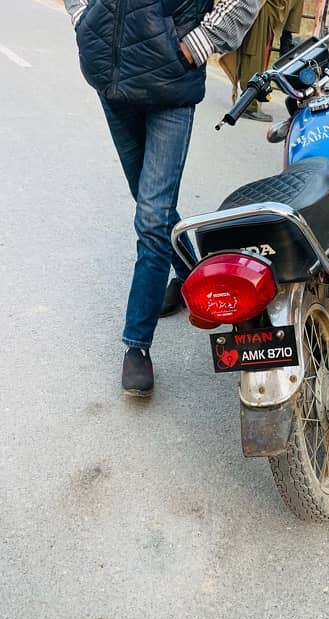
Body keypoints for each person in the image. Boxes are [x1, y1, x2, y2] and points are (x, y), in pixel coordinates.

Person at [64, 0, 259, 397]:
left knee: (152, 218)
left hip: (171, 82)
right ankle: (192, 273)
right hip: (111, 74)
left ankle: (137, 343)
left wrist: (199, 41)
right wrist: (86, 20)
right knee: (151, 203)